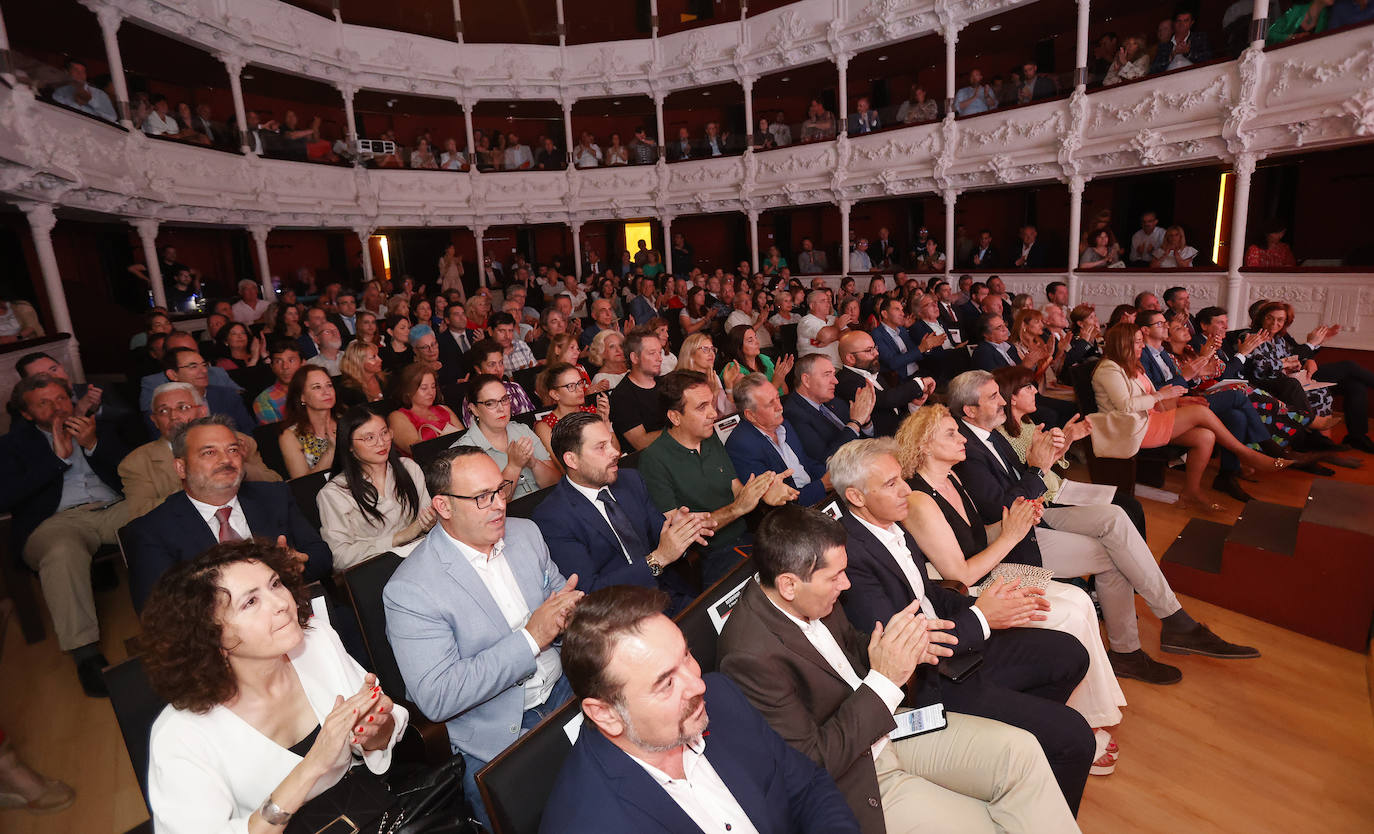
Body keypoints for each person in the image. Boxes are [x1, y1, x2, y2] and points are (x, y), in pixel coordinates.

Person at [722, 501, 1085, 829]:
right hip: (858, 773)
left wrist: (906, 645)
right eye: (835, 577)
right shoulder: (749, 655)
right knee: (987, 825)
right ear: (788, 584)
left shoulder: (809, 594)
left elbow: (851, 645)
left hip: (891, 727)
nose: (845, 584)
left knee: (1021, 753)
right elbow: (812, 763)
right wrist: (884, 680)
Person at [949, 369, 1263, 687]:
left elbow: (1021, 483)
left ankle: (1173, 618)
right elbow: (1000, 510)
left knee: (1114, 516)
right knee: (1113, 556)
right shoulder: (969, 451)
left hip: (1034, 514)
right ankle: (1134, 648)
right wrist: (1037, 468)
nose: (1002, 400)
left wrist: (1040, 464)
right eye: (993, 396)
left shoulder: (987, 435)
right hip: (1011, 539)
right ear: (969, 410)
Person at [897, 406, 1127, 766]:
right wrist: (1011, 535)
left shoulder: (953, 479)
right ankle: (1076, 721)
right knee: (1065, 615)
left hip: (988, 571)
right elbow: (960, 572)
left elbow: (976, 538)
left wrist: (1013, 523)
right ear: (924, 445)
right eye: (951, 434)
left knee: (1080, 600)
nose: (962, 439)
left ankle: (1088, 714)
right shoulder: (918, 499)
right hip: (963, 594)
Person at [543, 585, 861, 834]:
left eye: (686, 656)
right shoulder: (587, 824)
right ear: (606, 714)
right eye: (666, 684)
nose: (698, 685)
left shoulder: (722, 697)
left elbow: (808, 788)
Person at [143, 541, 407, 833]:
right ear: (210, 637)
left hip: (365, 813)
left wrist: (376, 733)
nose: (282, 603)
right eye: (251, 602)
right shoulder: (181, 735)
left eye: (276, 584)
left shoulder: (318, 641)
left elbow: (382, 734)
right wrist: (313, 765)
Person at [383, 446, 583, 828]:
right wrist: (531, 638)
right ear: (443, 506)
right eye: (481, 497)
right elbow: (439, 696)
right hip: (495, 727)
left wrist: (571, 615)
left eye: (501, 490)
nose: (499, 505)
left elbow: (559, 598)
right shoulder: (411, 589)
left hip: (564, 686)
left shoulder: (526, 534)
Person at [0, 374, 130, 695]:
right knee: (62, 552)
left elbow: (131, 471)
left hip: (111, 508)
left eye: (61, 398)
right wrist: (55, 459)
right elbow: (5, 496)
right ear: (27, 414)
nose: (56, 407)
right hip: (56, 522)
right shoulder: (11, 445)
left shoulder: (98, 427)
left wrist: (93, 445)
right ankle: (86, 655)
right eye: (43, 403)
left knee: (158, 516)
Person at [123, 415, 333, 611]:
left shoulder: (273, 496)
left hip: (291, 612)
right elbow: (156, 611)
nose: (226, 460)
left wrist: (299, 564)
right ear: (180, 467)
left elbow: (321, 555)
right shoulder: (151, 530)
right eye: (209, 452)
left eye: (233, 450)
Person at [532, 412, 707, 614]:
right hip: (618, 615)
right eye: (601, 447)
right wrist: (656, 560)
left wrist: (682, 529)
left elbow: (662, 539)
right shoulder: (553, 517)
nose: (615, 452)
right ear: (572, 460)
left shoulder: (630, 480)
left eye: (611, 442)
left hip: (669, 593)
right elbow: (589, 592)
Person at [638, 370, 797, 585]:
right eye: (702, 407)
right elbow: (681, 532)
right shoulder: (654, 460)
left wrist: (764, 491)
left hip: (748, 538)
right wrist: (736, 508)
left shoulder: (709, 437)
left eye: (711, 404)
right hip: (710, 556)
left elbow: (737, 490)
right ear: (675, 417)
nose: (713, 413)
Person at [120, 382, 281, 521]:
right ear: (154, 421)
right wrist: (204, 487)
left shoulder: (237, 442)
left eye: (183, 407)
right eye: (163, 411)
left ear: (202, 411)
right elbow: (140, 515)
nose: (173, 416)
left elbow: (276, 485)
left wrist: (240, 464)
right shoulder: (136, 463)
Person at [1245, 301, 1374, 452]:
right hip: (1274, 381)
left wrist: (1312, 351)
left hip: (1295, 375)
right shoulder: (1251, 335)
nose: (1275, 322)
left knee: (1355, 387)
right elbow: (1287, 358)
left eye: (1280, 319)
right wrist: (1306, 349)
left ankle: (1354, 437)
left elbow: (1298, 354)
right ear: (1259, 317)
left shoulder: (1280, 338)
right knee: (1348, 366)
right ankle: (1316, 437)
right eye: (1270, 316)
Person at [318, 407, 435, 568]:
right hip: (377, 570)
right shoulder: (334, 493)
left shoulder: (409, 468)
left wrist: (431, 523)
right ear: (349, 446)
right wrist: (398, 538)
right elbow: (340, 557)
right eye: (369, 438)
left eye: (384, 433)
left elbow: (427, 518)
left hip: (423, 558)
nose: (381, 442)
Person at [725, 374, 829, 505]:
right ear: (751, 415)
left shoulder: (783, 424)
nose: (780, 407)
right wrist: (822, 486)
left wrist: (834, 476)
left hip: (816, 495)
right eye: (770, 404)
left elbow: (805, 463)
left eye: (777, 398)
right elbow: (778, 501)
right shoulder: (741, 446)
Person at [456, 375, 559, 500]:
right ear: (474, 410)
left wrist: (534, 463)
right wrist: (513, 466)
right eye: (490, 403)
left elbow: (555, 482)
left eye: (504, 399)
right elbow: (489, 504)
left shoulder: (522, 430)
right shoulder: (463, 451)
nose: (501, 409)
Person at [783, 353, 878, 464]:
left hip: (867, 458)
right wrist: (855, 423)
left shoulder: (834, 401)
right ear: (806, 380)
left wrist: (865, 422)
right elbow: (826, 459)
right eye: (827, 375)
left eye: (834, 374)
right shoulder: (793, 414)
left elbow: (861, 437)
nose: (835, 381)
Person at [609, 329, 667, 450]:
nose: (660, 358)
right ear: (634, 358)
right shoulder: (622, 396)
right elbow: (641, 442)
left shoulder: (666, 383)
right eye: (652, 353)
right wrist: (680, 428)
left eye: (660, 352)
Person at [387, 363, 461, 454]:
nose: (431, 392)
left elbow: (465, 437)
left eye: (433, 387)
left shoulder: (444, 409)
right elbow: (417, 450)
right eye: (424, 388)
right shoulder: (397, 417)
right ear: (409, 391)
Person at [278, 366, 338, 478]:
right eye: (317, 387)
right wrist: (331, 450)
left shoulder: (347, 420)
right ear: (302, 397)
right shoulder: (290, 436)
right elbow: (303, 485)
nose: (326, 392)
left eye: (329, 385)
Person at [50, 58, 117, 122]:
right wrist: (78, 104)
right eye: (76, 70)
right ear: (66, 72)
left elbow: (111, 119)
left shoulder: (99, 94)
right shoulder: (60, 92)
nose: (80, 74)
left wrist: (90, 101)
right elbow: (58, 114)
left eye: (83, 71)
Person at [253, 340, 303, 424]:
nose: (285, 367)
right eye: (278, 361)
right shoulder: (264, 400)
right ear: (272, 366)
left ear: (302, 363)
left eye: (291, 360)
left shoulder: (316, 387)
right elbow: (275, 434)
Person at [1150, 8, 1213, 73]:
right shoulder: (1165, 44)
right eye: (1178, 21)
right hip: (1170, 80)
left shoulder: (1199, 38)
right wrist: (1171, 56)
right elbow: (1154, 70)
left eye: (1185, 21)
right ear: (1174, 23)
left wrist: (1188, 53)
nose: (1181, 24)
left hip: (1194, 78)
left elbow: (1207, 61)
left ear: (1191, 23)